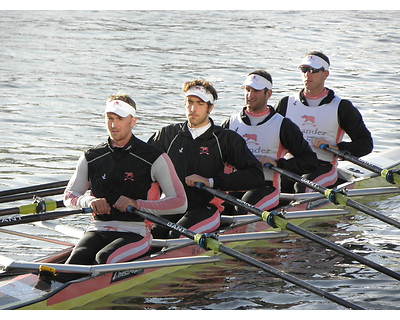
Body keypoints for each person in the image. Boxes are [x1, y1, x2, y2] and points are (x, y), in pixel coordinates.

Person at [63, 93, 187, 266]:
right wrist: (89, 200)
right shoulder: (91, 157)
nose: (113, 125)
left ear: (133, 121)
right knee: (74, 263)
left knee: (103, 259)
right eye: (109, 118)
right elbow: (69, 196)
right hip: (98, 228)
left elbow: (180, 203)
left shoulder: (154, 158)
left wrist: (138, 205)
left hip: (136, 231)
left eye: (120, 119)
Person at [147, 79, 264, 238]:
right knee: (152, 234)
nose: (193, 109)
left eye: (200, 104)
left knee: (177, 236)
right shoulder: (167, 135)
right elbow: (141, 165)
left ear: (210, 108)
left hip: (206, 206)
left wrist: (210, 181)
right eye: (189, 102)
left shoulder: (226, 139)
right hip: (173, 204)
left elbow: (256, 176)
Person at [275, 51, 373, 193]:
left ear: (325, 74)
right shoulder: (286, 104)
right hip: (292, 162)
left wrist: (335, 148)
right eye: (304, 70)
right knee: (273, 184)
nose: (307, 74)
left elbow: (365, 144)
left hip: (323, 165)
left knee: (301, 187)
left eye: (313, 70)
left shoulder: (342, 107)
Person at [222, 70, 318, 214]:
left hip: (265, 185)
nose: (250, 95)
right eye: (248, 90)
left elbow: (310, 161)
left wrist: (278, 164)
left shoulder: (282, 125)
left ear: (269, 94)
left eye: (256, 91)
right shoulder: (230, 122)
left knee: (241, 209)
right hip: (234, 183)